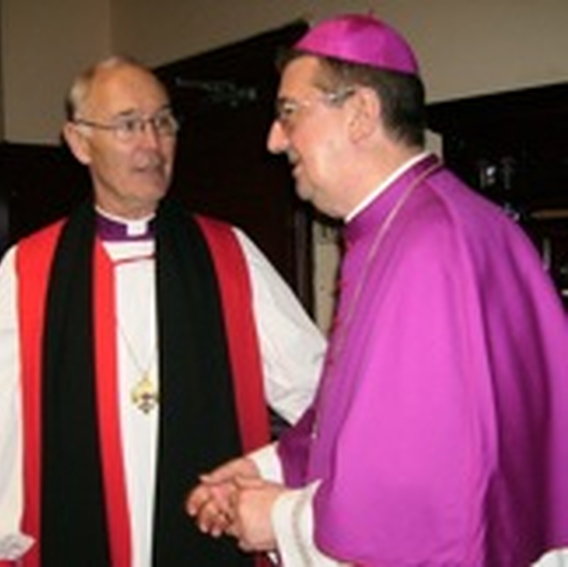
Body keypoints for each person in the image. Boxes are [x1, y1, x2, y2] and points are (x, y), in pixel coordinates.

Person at [186, 13, 568, 567]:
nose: (273, 140)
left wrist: (278, 520)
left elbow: (422, 502)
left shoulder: (430, 247)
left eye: (289, 113)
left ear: (362, 113)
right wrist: (268, 468)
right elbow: (365, 415)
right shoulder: (413, 224)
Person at [0, 55, 326, 567]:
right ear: (79, 142)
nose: (152, 143)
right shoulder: (29, 270)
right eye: (127, 125)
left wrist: (295, 509)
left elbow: (319, 395)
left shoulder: (229, 254)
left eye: (163, 122)